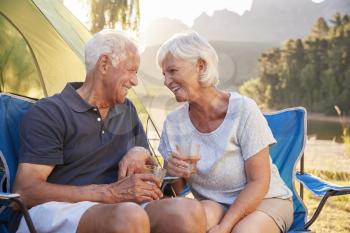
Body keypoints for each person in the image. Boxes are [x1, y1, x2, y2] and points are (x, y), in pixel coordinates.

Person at [12, 29, 207, 233]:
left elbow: (149, 166)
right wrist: (109, 193)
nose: (135, 81)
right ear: (104, 64)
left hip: (120, 207)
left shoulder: (126, 110)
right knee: (129, 216)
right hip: (57, 209)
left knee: (187, 210)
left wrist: (141, 152)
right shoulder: (51, 112)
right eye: (131, 70)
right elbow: (26, 191)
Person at [157, 31, 294, 233]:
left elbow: (259, 181)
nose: (167, 81)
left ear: (200, 66)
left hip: (264, 200)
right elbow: (175, 191)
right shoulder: (173, 123)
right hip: (214, 204)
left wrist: (224, 227)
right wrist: (172, 172)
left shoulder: (243, 110)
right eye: (163, 74)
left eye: (173, 71)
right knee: (183, 223)